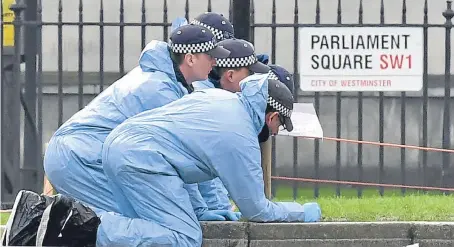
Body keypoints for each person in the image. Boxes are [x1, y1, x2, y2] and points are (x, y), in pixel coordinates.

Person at [95, 73, 321, 247]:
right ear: (272, 117)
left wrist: (200, 210)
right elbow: (256, 210)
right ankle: (85, 226)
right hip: (143, 159)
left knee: (141, 231)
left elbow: (184, 155)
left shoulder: (218, 97)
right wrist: (301, 212)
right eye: (279, 126)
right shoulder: (240, 135)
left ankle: (82, 222)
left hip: (117, 146)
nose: (275, 133)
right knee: (185, 236)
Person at [42, 24, 230, 216]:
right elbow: (178, 159)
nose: (215, 63)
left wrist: (210, 209)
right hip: (81, 159)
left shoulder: (167, 82)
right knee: (156, 220)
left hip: (80, 155)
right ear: (190, 59)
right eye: (210, 56)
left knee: (152, 219)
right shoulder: (160, 91)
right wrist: (199, 211)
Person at [193, 38, 271, 211]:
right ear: (230, 75)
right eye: (249, 74)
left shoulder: (205, 93)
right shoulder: (215, 105)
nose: (253, 81)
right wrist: (219, 207)